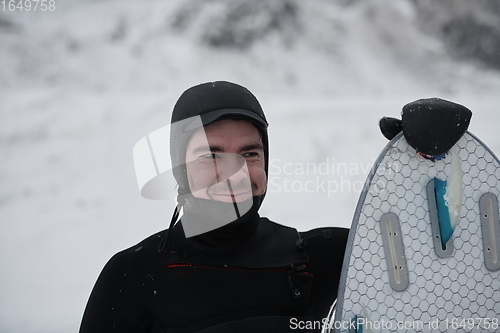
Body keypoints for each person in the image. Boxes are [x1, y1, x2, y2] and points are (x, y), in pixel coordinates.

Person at [79, 81, 349, 333]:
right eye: (211, 155)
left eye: (249, 154)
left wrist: (394, 164)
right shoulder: (133, 276)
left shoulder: (328, 258)